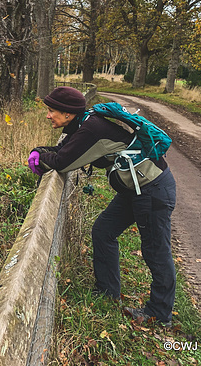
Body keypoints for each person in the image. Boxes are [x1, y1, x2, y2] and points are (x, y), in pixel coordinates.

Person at [28, 86, 177, 327]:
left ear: (67, 114)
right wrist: (40, 152)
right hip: (136, 190)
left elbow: (64, 162)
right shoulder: (84, 124)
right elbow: (64, 151)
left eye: (51, 111)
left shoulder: (92, 129)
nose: (48, 115)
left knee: (155, 250)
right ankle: (108, 292)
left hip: (152, 190)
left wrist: (40, 157)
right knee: (103, 231)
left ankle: (160, 314)